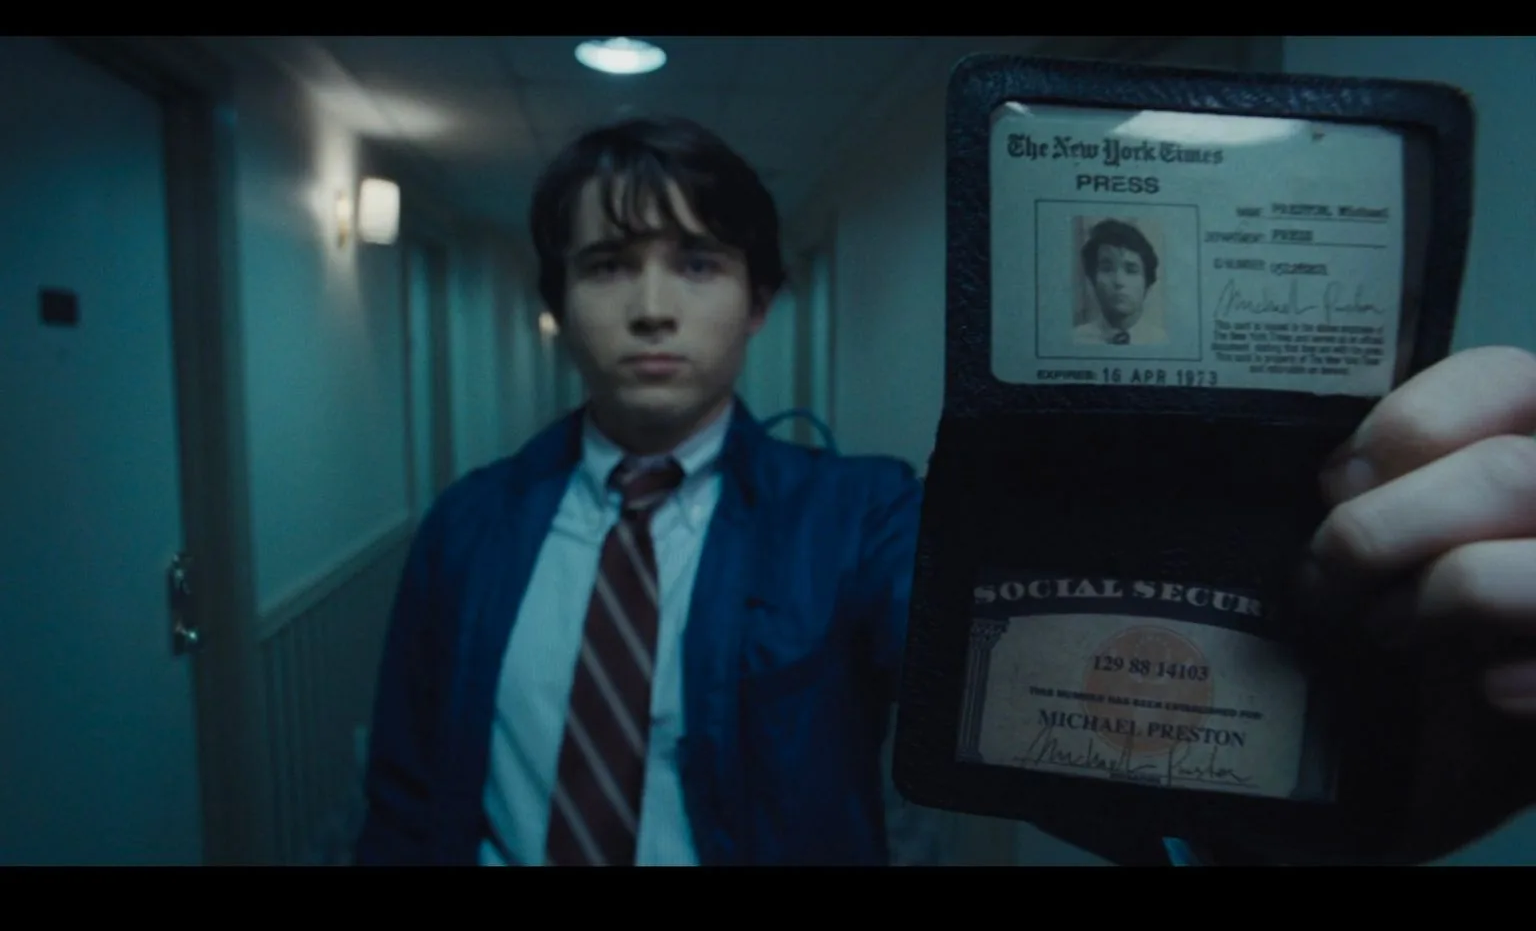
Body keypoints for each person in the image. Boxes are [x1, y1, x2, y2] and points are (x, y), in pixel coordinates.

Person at [354, 113, 1536, 866]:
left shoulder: (858, 518)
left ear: (758, 301)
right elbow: (405, 793)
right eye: (609, 264)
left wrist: (1312, 782)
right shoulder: (469, 525)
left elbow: (1018, 695)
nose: (653, 306)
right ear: (558, 299)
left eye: (698, 264)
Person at [1072, 218, 1167, 346]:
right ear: (1092, 279)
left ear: (1147, 283)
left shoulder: (1161, 341)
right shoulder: (1077, 340)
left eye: (1131, 270)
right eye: (1107, 269)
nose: (1119, 281)